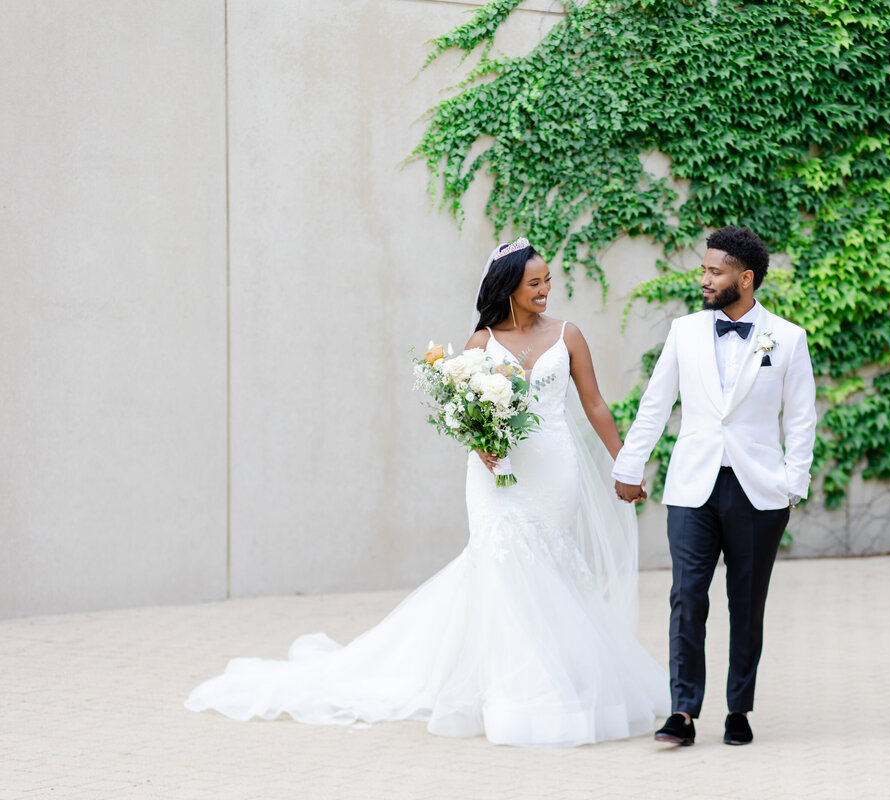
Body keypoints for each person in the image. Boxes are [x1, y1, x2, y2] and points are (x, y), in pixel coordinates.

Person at [186, 238, 669, 747]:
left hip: (553, 470)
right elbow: (464, 411)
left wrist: (625, 462)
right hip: (495, 473)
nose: (546, 289)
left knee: (547, 567)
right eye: (535, 283)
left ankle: (558, 675)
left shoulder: (568, 336)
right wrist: (480, 444)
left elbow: (593, 404)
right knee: (502, 560)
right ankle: (514, 694)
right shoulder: (480, 344)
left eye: (548, 280)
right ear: (509, 288)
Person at [612, 226, 817, 746]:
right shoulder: (684, 332)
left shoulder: (788, 338)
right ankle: (682, 712)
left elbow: (801, 419)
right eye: (703, 269)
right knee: (686, 597)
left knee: (747, 602)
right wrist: (629, 467)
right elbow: (655, 404)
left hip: (759, 490)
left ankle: (739, 710)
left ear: (745, 279)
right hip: (692, 487)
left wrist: (794, 482)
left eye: (714, 271)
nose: (703, 278)